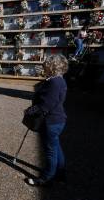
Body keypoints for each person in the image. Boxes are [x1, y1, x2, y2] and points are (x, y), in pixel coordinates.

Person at [26, 55, 69, 186]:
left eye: (46, 64)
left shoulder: (55, 82)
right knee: (56, 148)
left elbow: (46, 105)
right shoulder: (57, 80)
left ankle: (46, 178)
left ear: (53, 66)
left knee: (50, 151)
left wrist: (30, 111)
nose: (44, 66)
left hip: (51, 121)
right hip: (56, 120)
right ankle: (60, 174)